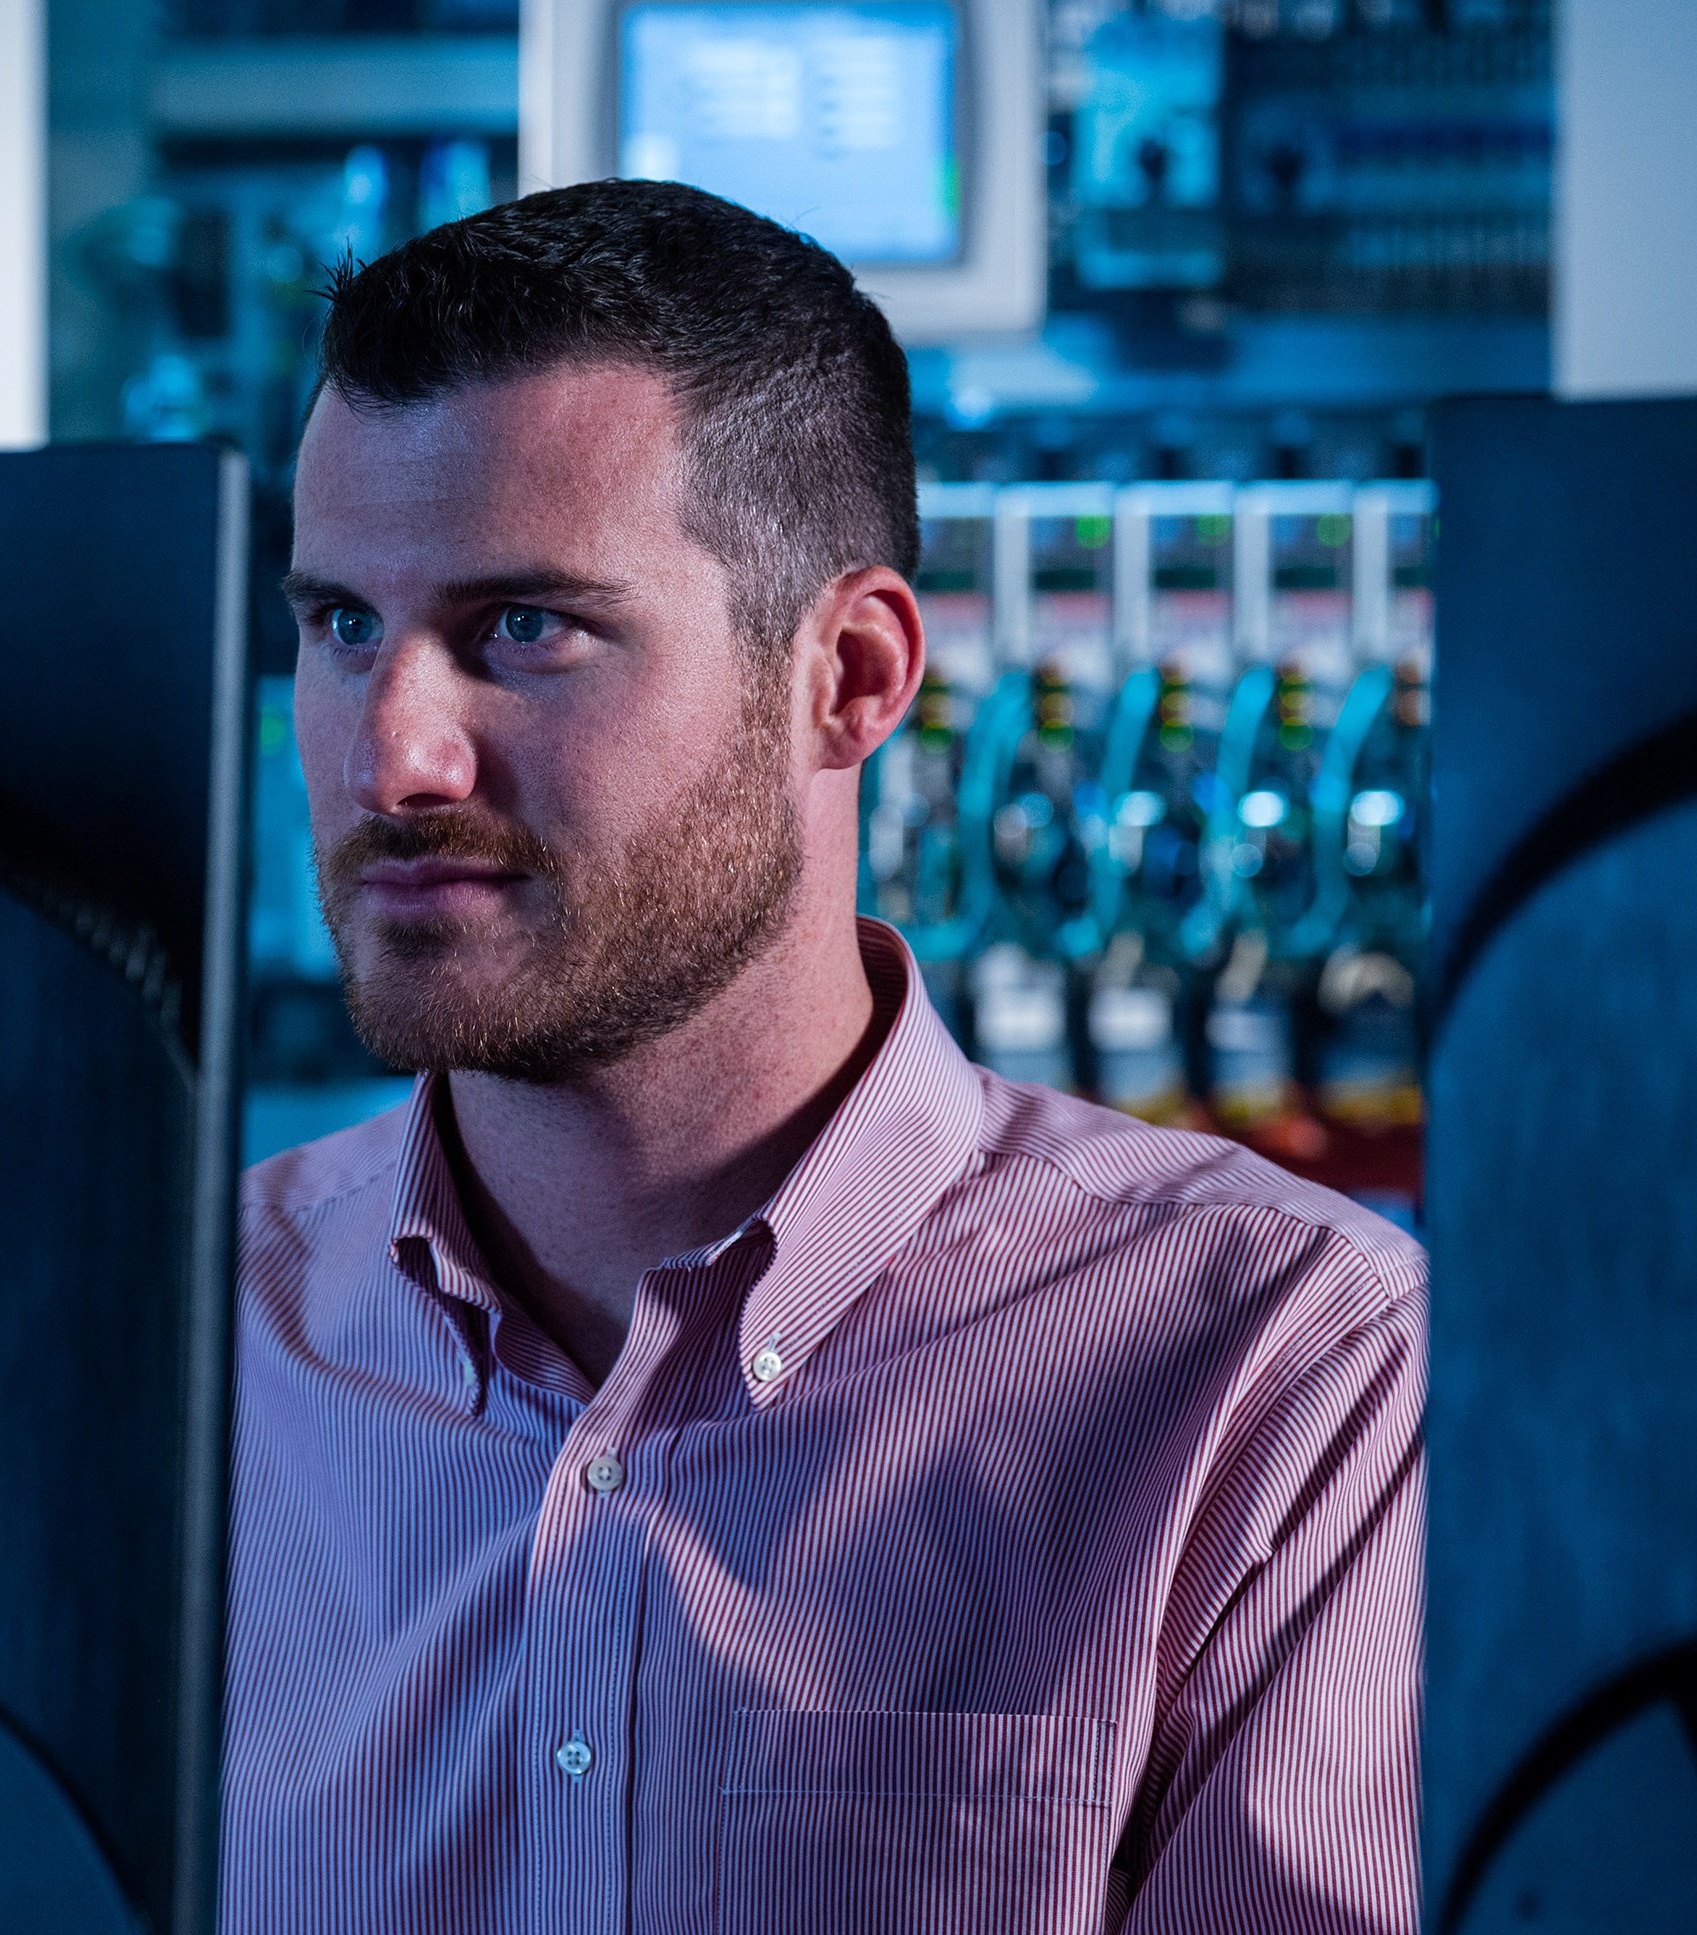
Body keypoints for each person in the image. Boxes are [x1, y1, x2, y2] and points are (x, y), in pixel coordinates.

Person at [227, 180, 1422, 1933]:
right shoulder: (182, 1357)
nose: (396, 756)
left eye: (525, 629)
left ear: (850, 676)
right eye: (343, 626)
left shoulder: (1276, 1374)